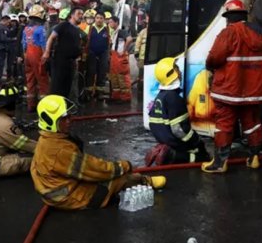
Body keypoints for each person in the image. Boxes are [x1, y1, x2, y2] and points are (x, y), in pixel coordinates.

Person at [31, 95, 166, 210]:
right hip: (72, 197)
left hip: (57, 193)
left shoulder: (46, 140)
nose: (69, 120)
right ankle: (145, 181)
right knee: (118, 179)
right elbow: (94, 170)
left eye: (69, 116)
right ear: (51, 122)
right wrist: (124, 166)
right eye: (64, 118)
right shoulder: (59, 150)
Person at [201, 0, 262, 173]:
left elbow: (214, 58)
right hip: (253, 91)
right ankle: (254, 157)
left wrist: (209, 66)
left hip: (229, 91)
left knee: (224, 124)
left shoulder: (229, 33)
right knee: (252, 123)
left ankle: (220, 163)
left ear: (229, 17)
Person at [146, 58, 210, 166]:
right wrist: (196, 141)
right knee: (201, 155)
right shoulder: (174, 99)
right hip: (174, 141)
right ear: (171, 74)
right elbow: (179, 130)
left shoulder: (161, 96)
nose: (179, 72)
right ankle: (171, 156)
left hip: (163, 138)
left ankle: (164, 150)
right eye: (176, 69)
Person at [43, 8, 84, 98]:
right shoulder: (64, 25)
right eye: (79, 13)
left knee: (67, 87)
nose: (81, 16)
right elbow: (51, 38)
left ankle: (64, 106)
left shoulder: (77, 30)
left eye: (82, 14)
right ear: (72, 15)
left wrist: (76, 59)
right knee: (57, 86)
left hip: (71, 62)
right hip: (60, 61)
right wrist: (47, 52)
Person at [22, 6, 50, 111]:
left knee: (30, 80)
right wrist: (45, 56)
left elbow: (23, 44)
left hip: (27, 55)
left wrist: (25, 56)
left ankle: (31, 106)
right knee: (42, 79)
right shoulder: (41, 29)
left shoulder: (26, 29)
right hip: (38, 54)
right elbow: (43, 43)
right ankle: (45, 106)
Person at [84, 11, 110, 100]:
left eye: (101, 18)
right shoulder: (90, 28)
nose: (99, 20)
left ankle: (100, 93)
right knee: (90, 71)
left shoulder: (108, 29)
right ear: (95, 19)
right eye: (97, 18)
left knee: (102, 72)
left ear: (104, 19)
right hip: (91, 53)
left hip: (104, 53)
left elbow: (111, 41)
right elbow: (84, 40)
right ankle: (88, 92)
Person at [107, 15, 132, 102]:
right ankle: (116, 96)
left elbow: (129, 39)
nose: (109, 24)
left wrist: (124, 51)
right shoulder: (114, 32)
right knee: (114, 77)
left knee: (122, 77)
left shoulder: (121, 31)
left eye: (111, 22)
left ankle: (125, 97)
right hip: (114, 56)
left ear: (116, 22)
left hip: (120, 56)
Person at [0, 15, 16, 84]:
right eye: (8, 22)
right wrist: (13, 39)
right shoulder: (2, 27)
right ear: (5, 20)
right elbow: (3, 38)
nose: (9, 24)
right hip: (0, 48)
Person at [134, 16, 148, 84]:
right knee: (141, 73)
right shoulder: (143, 31)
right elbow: (138, 42)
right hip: (142, 56)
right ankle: (140, 86)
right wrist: (136, 51)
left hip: (151, 57)